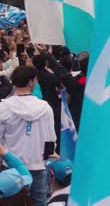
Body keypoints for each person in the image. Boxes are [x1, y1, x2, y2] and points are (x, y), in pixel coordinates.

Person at [0, 66, 57, 206]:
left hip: (11, 167)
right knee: (39, 203)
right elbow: (51, 139)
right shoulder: (45, 107)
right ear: (31, 82)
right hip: (37, 165)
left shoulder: (3, 107)